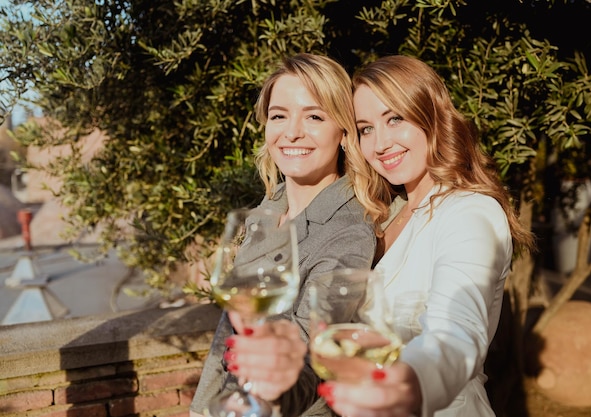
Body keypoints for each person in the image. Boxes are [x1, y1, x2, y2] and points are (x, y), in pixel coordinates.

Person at [314, 55, 536, 417]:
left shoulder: (469, 212)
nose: (380, 143)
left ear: (431, 116)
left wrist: (403, 385)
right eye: (365, 128)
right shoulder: (386, 213)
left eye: (395, 119)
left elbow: (456, 335)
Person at [189, 53, 377, 417]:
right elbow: (229, 328)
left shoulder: (349, 233)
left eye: (314, 116)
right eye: (279, 116)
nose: (291, 132)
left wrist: (269, 400)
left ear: (343, 132)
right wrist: (200, 411)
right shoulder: (266, 211)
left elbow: (310, 362)